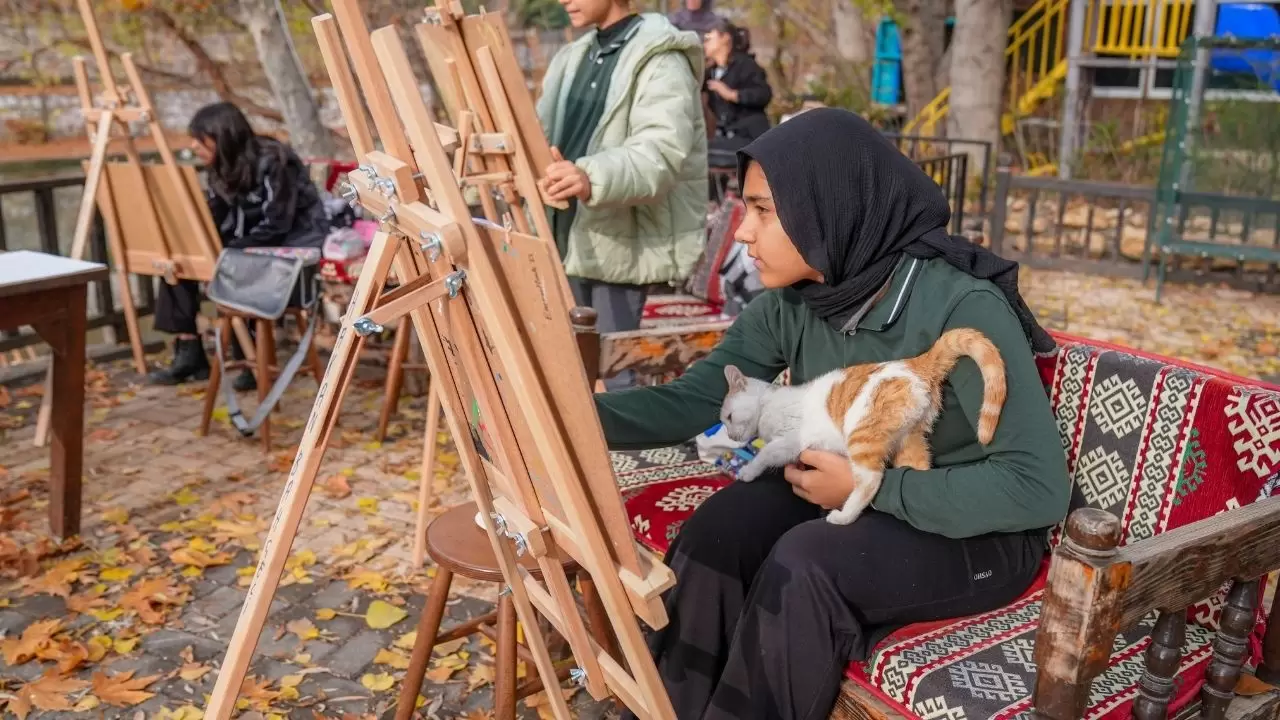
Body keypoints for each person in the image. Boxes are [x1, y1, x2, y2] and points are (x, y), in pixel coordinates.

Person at [595, 108, 1070, 720]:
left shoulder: (961, 305)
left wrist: (872, 488)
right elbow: (695, 400)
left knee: (805, 566)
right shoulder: (798, 300)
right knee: (720, 532)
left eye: (763, 210)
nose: (742, 232)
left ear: (830, 206)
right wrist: (566, 416)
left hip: (977, 533)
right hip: (856, 489)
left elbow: (1036, 490)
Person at [537, 0, 708, 389]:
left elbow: (660, 155)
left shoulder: (662, 57)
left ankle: (620, 452)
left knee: (614, 377)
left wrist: (590, 176)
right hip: (562, 237)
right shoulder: (571, 57)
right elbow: (541, 134)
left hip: (617, 244)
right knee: (567, 373)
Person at [148, 102, 330, 388]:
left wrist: (231, 250)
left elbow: (278, 223)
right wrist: (200, 243)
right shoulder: (221, 168)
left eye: (200, 139)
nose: (194, 146)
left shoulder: (274, 160)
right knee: (179, 262)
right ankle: (189, 351)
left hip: (292, 246)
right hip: (250, 245)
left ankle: (250, 358)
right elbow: (217, 217)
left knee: (237, 265)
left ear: (223, 136)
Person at [703, 18, 772, 170]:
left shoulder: (746, 65)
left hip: (750, 138)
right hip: (727, 136)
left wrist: (733, 95)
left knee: (700, 153)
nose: (705, 43)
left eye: (709, 38)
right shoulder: (710, 72)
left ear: (725, 38)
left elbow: (764, 94)